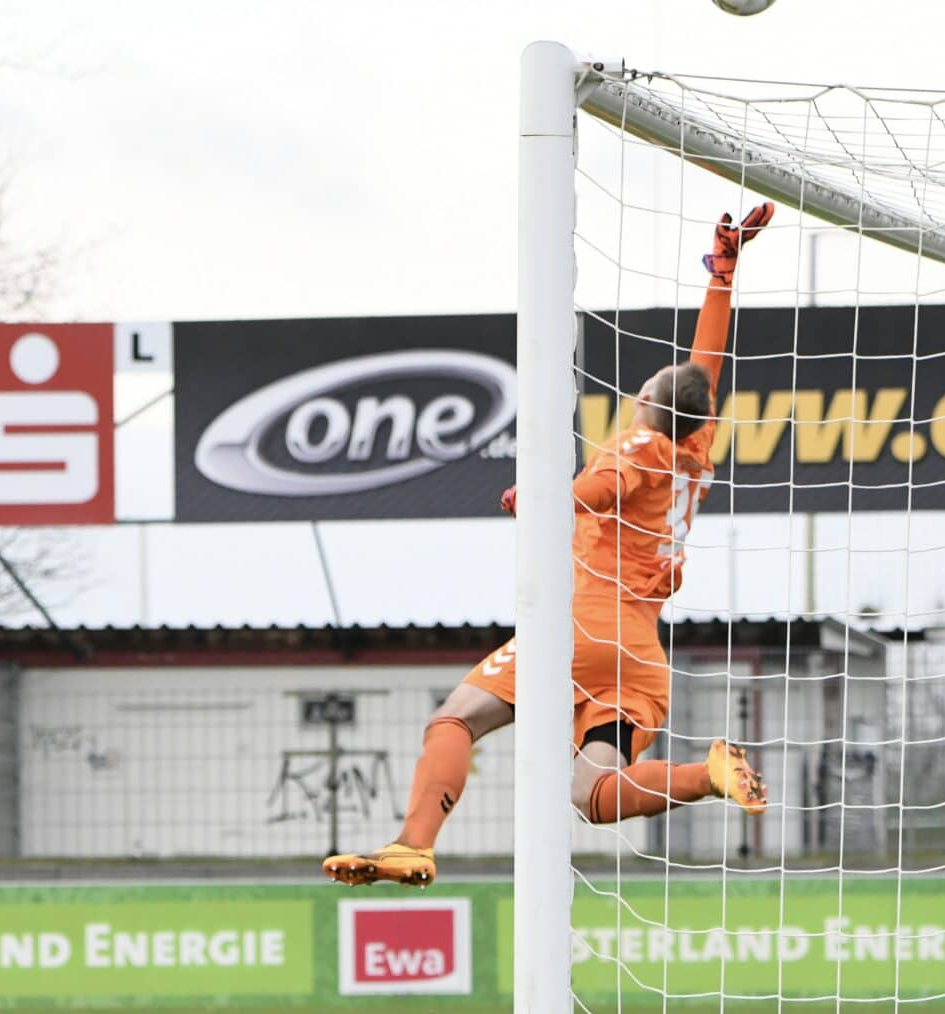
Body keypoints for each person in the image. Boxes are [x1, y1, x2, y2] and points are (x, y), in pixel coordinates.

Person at [324, 203, 776, 888]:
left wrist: (545, 501)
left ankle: (413, 842)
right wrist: (723, 273)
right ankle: (705, 773)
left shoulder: (643, 443)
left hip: (580, 626)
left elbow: (605, 485)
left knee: (454, 719)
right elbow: (703, 369)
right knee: (591, 794)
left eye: (645, 386)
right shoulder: (696, 452)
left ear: (648, 399)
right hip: (639, 658)